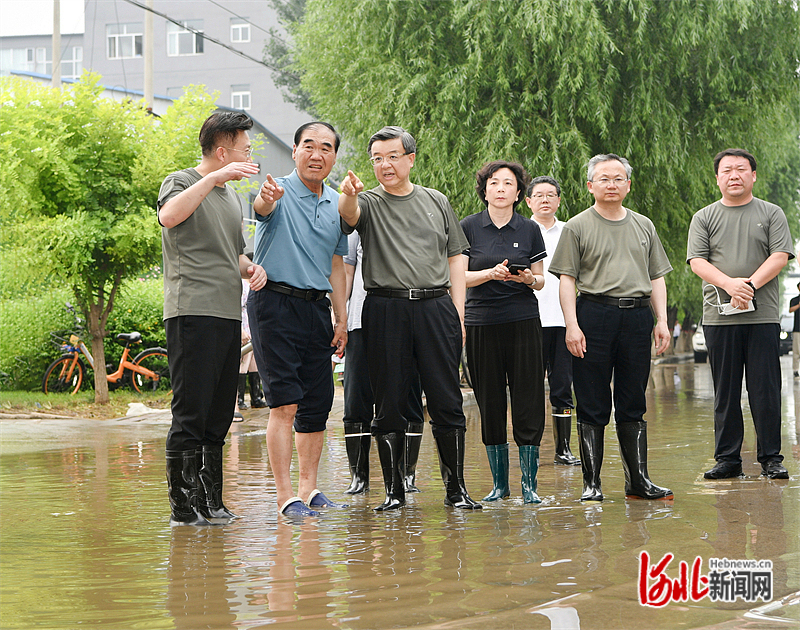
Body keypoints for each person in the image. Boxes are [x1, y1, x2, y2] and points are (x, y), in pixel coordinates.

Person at [339, 126, 482, 512]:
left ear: (410, 159)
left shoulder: (436, 200)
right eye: (377, 159)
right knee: (388, 401)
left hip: (437, 307)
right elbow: (349, 216)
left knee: (447, 398)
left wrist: (457, 311)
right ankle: (393, 492)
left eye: (392, 156)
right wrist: (348, 195)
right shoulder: (367, 201)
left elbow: (457, 257)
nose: (385, 165)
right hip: (386, 308)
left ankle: (456, 490)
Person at [158, 111, 267, 526]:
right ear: (222, 152)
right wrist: (212, 179)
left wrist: (252, 268)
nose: (249, 157)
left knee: (220, 413)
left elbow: (233, 255)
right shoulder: (183, 181)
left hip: (225, 313)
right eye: (244, 150)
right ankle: (183, 509)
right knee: (192, 411)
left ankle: (211, 503)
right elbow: (169, 217)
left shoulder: (233, 199)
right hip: (191, 310)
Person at [549, 153, 673, 502]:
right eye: (604, 178)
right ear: (590, 186)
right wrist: (571, 325)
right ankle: (592, 483)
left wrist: (661, 320)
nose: (612, 184)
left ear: (628, 185)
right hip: (594, 315)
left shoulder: (643, 225)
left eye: (619, 178)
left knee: (633, 400)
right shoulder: (576, 226)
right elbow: (567, 280)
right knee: (591, 400)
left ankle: (638, 481)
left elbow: (657, 277)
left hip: (636, 318)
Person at [248, 121, 349, 518]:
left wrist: (341, 319)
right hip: (274, 304)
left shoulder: (338, 202)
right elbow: (261, 208)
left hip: (315, 308)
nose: (317, 154)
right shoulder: (278, 191)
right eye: (309, 146)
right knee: (284, 403)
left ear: (334, 157)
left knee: (317, 403)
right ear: (294, 151)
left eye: (326, 148)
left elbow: (337, 265)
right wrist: (266, 197)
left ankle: (309, 489)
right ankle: (284, 495)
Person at [687, 148, 794, 480]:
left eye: (741, 169)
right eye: (727, 170)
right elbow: (698, 262)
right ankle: (728, 459)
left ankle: (771, 458)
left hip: (761, 317)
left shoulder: (771, 212)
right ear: (717, 177)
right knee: (725, 390)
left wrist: (748, 284)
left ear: (753, 176)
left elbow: (780, 255)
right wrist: (729, 285)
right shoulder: (704, 217)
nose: (734, 175)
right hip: (720, 317)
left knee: (765, 389)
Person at [460, 161, 547, 504]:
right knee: (490, 401)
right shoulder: (468, 227)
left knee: (528, 399)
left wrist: (527, 278)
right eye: (493, 183)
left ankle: (529, 485)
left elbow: (540, 280)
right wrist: (488, 275)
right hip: (481, 322)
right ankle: (500, 485)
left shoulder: (529, 229)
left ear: (518, 192)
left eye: (507, 183)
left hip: (523, 321)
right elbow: (458, 277)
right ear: (484, 190)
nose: (500, 188)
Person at [342, 231, 425, 495]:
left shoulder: (419, 217)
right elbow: (346, 271)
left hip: (408, 321)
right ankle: (359, 476)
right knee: (356, 398)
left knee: (409, 395)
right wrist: (339, 318)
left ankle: (407, 473)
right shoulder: (360, 221)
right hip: (360, 321)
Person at [527, 176, 581, 467]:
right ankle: (531, 447)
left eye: (551, 195)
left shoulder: (570, 231)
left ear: (559, 200)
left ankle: (563, 449)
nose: (545, 200)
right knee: (531, 386)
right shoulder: (521, 229)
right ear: (528, 201)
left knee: (562, 385)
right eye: (539, 195)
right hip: (528, 321)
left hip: (563, 320)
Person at [238, 275, 267, 412]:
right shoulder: (242, 284)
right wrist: (242, 330)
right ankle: (240, 398)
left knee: (254, 363)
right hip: (244, 324)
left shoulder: (256, 283)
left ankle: (256, 397)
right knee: (244, 362)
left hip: (254, 325)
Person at [789, 282, 800, 380]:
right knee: (796, 351)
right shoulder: (795, 300)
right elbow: (790, 310)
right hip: (797, 329)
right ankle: (795, 370)